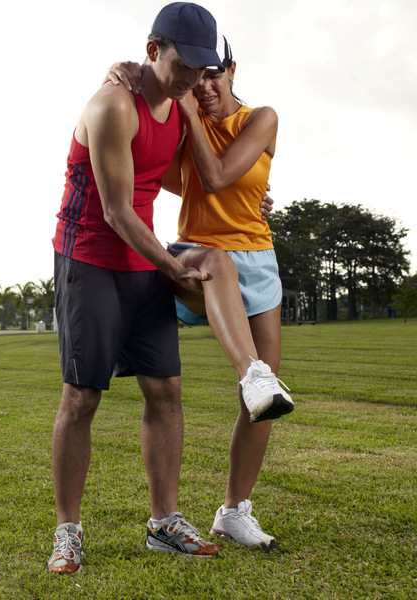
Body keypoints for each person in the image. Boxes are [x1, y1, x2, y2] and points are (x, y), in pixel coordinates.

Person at [48, 3, 225, 575]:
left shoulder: (180, 104)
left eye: (204, 69)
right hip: (92, 258)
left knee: (165, 392)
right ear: (153, 50)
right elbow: (119, 212)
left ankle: (164, 523)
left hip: (143, 261)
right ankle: (67, 532)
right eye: (185, 66)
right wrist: (174, 270)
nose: (195, 80)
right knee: (83, 397)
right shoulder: (110, 106)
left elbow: (190, 179)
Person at [105, 33, 291, 549]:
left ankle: (233, 512)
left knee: (263, 400)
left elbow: (220, 175)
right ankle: (165, 515)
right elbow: (188, 180)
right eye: (196, 76)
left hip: (258, 258)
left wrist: (252, 197)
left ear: (233, 70)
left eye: (214, 74)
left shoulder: (262, 119)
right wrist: (123, 76)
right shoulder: (185, 121)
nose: (203, 86)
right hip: (197, 253)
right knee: (227, 374)